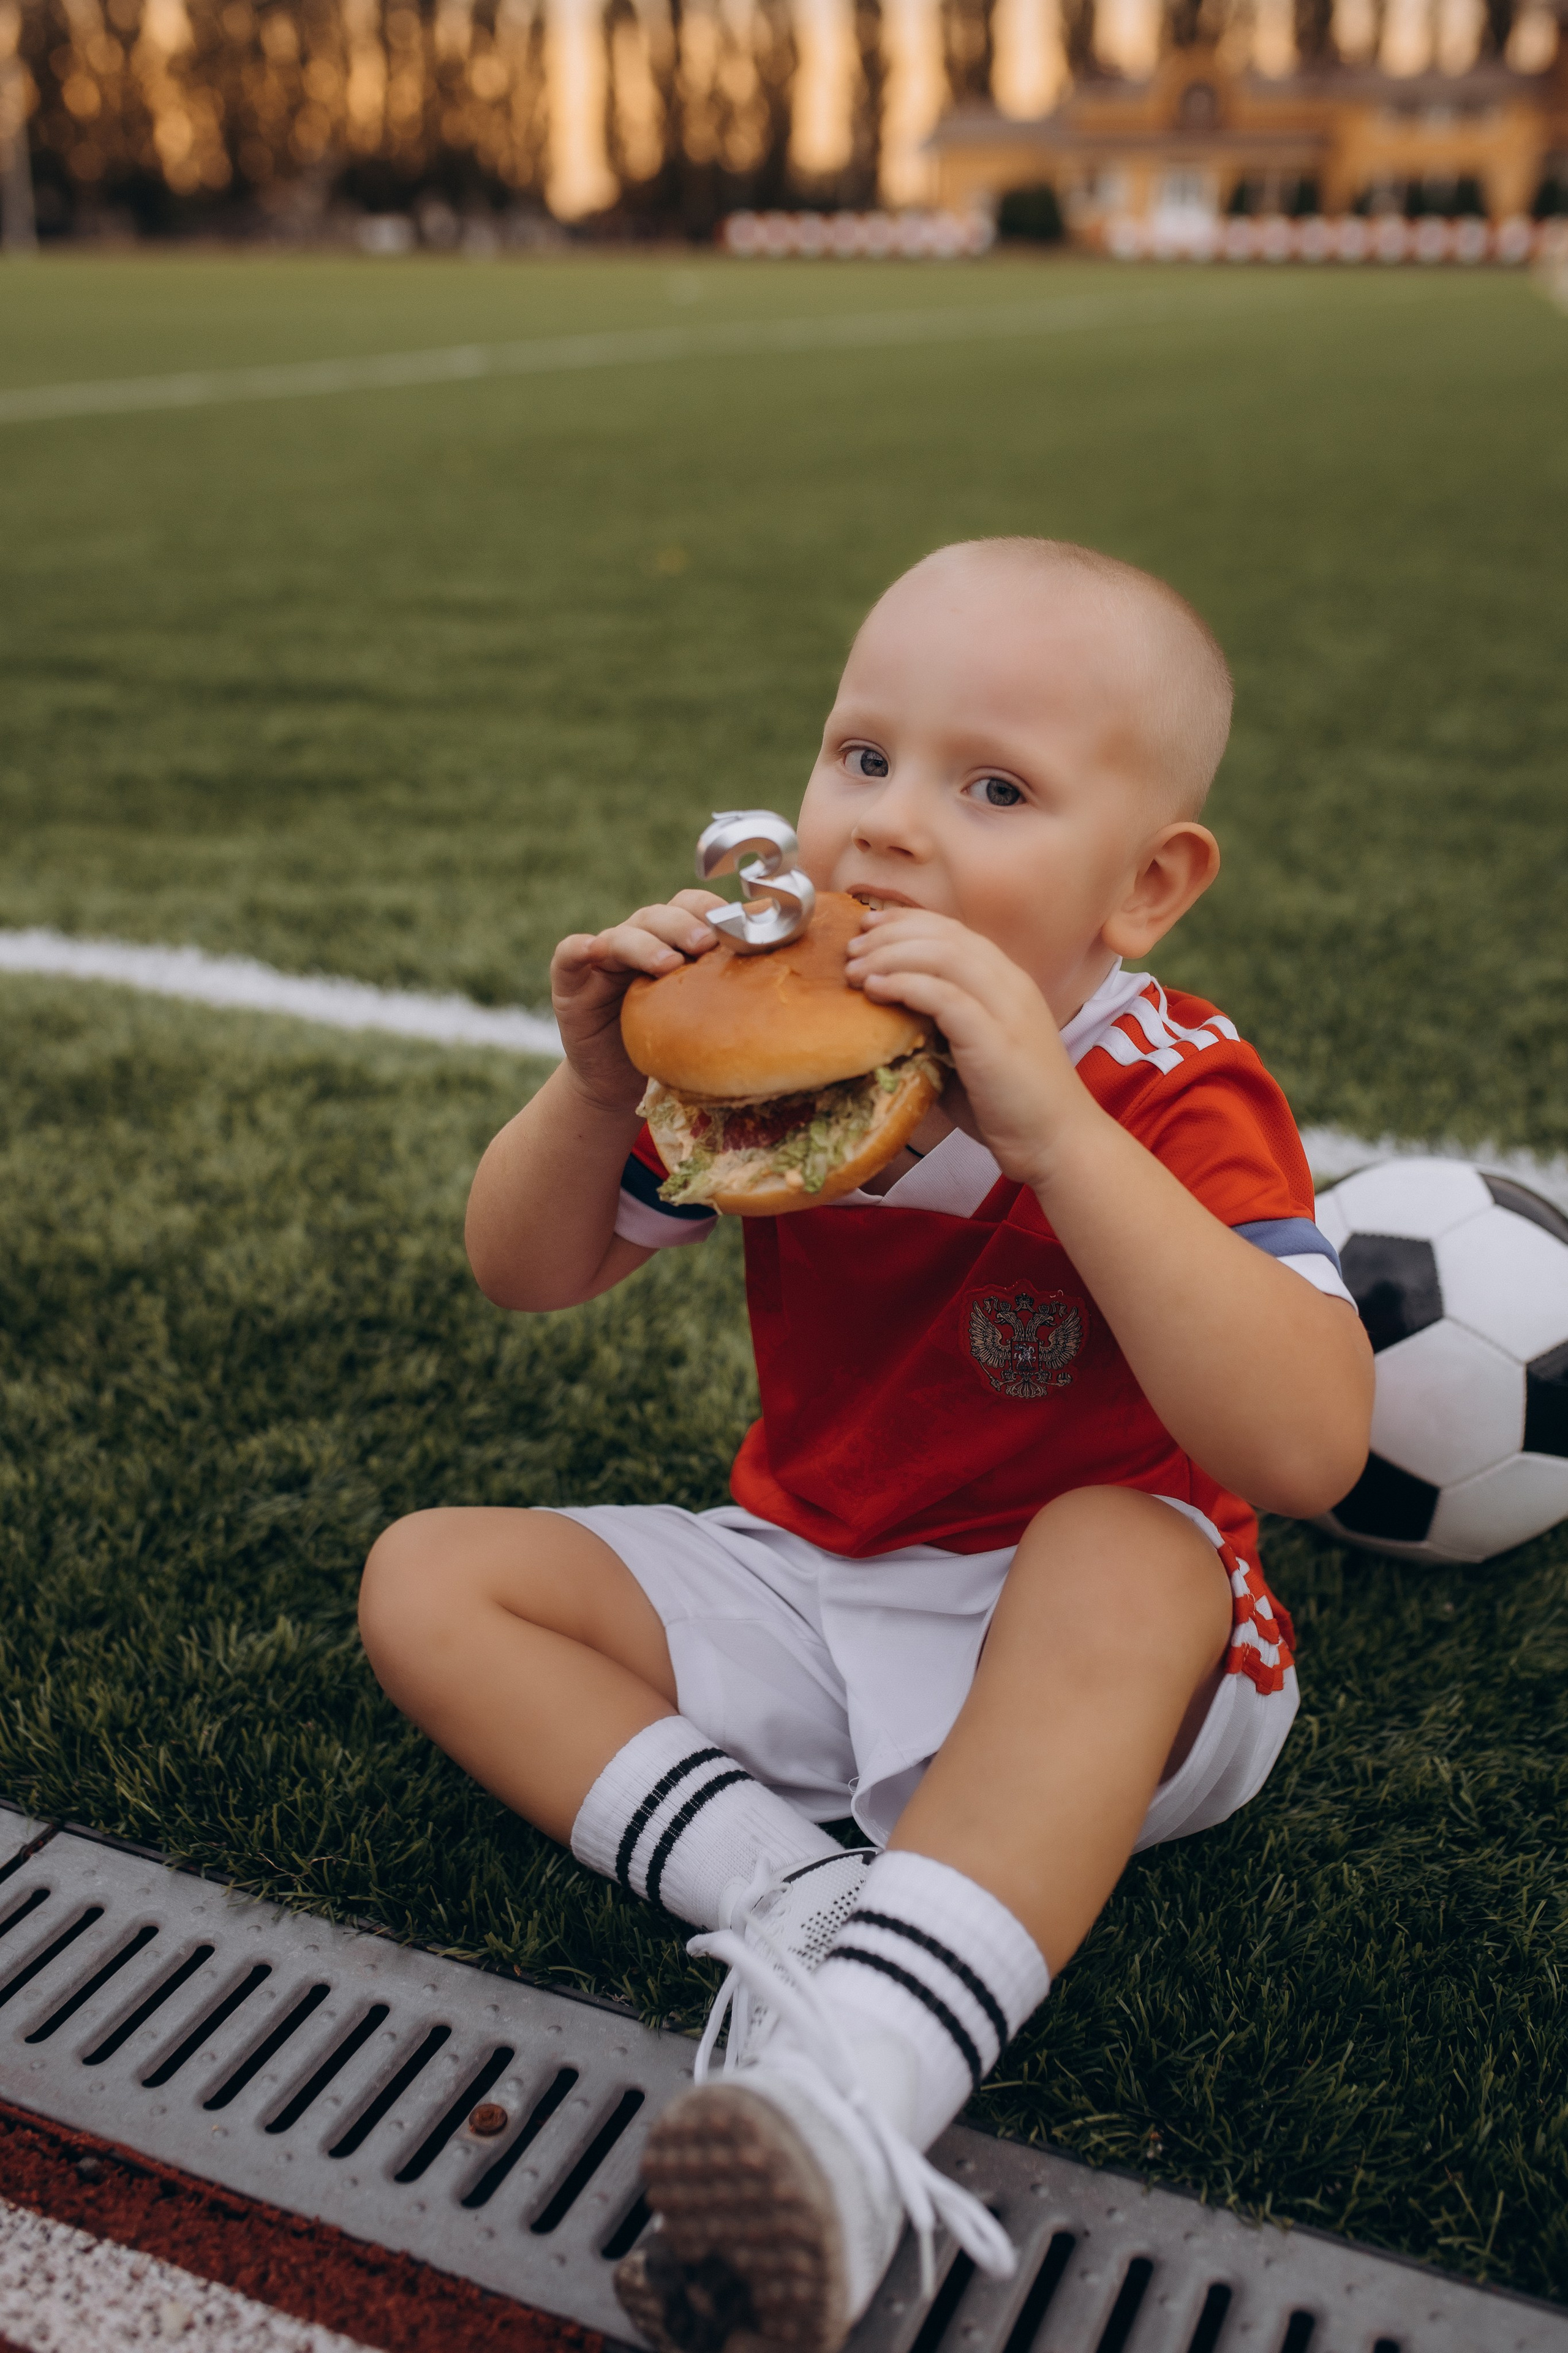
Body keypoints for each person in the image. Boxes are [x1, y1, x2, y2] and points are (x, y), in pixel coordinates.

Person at [358, 538, 1373, 2353]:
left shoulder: (1167, 1078)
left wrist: (1054, 1133)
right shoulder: (788, 1043)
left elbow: (1306, 1447)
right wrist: (596, 1081)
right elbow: (527, 1269)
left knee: (1126, 1548)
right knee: (431, 1578)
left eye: (995, 789)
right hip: (814, 1572)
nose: (890, 825)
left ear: (1146, 885)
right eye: (863, 756)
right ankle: (801, 1894)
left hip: (1096, 1661)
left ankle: (853, 2090)